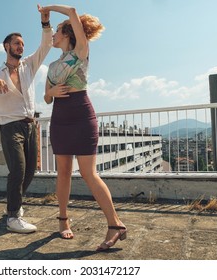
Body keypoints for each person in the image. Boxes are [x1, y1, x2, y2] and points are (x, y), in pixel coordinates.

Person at [40, 4, 126, 251]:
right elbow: (46, 97)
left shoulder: (80, 51)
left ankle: (115, 224)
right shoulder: (52, 67)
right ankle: (63, 220)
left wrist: (47, 9)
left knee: (89, 173)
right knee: (63, 172)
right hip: (60, 117)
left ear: (67, 33)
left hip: (81, 114)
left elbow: (72, 10)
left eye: (56, 32)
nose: (53, 36)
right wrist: (51, 92)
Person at [0, 5, 53, 234]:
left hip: (30, 125)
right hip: (9, 126)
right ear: (7, 46)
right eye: (17, 43)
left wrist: (45, 23)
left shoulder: (28, 66)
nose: (21, 47)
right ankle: (13, 216)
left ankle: (14, 205)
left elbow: (46, 46)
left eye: (22, 44)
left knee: (29, 172)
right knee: (17, 169)